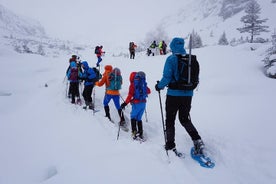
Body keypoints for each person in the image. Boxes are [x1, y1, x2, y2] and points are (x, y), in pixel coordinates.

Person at [155, 37, 205, 155]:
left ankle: (170, 145)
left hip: (173, 95)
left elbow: (167, 77)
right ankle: (197, 139)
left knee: (170, 120)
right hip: (188, 95)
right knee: (184, 119)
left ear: (172, 46)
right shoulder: (190, 59)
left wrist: (159, 86)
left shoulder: (171, 59)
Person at [120, 72, 151, 140]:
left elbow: (130, 96)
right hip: (143, 103)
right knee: (139, 118)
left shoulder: (133, 85)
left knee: (133, 116)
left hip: (136, 104)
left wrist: (125, 103)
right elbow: (149, 91)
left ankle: (134, 132)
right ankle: (140, 133)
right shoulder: (143, 83)